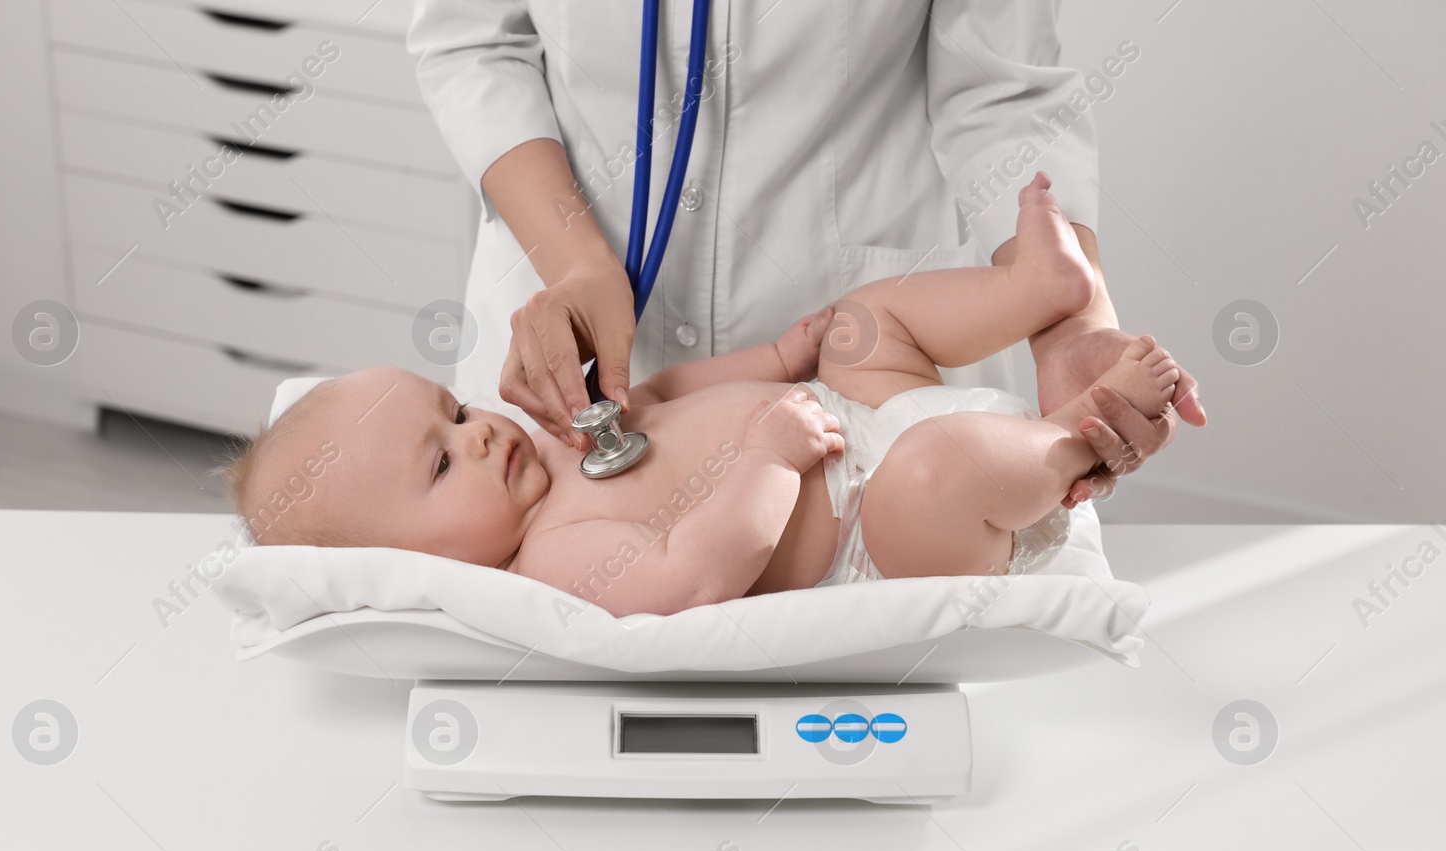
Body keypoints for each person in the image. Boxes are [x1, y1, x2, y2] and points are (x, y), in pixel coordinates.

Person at [223, 174, 1185, 615]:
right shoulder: (552, 564)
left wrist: (775, 357)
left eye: (455, 411)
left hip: (854, 412)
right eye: (440, 462)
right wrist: (766, 459)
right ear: (411, 569)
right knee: (932, 475)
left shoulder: (548, 444)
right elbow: (694, 573)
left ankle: (1036, 291)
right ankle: (1073, 438)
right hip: (877, 529)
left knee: (862, 323)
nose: (478, 434)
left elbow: (666, 397)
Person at [406, 1, 1205, 511]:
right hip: (559, 369)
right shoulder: (489, 461)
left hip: (862, 389)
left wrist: (1071, 328)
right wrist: (577, 262)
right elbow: (475, 41)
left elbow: (1004, 89)